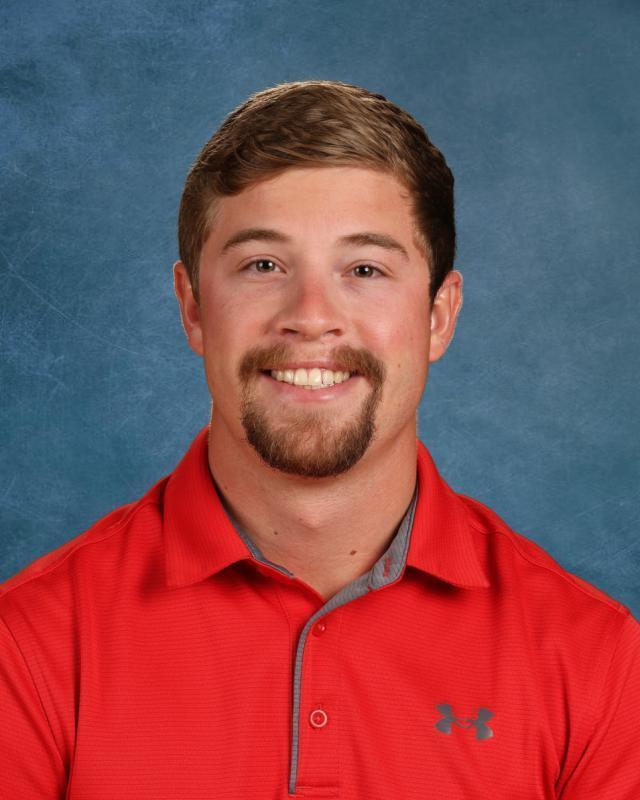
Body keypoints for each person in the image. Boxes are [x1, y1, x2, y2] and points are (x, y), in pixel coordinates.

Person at [1, 80, 638, 799]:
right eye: (262, 266)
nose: (310, 318)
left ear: (438, 316)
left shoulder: (595, 661)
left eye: (364, 270)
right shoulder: (25, 646)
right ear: (193, 309)